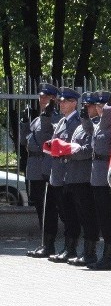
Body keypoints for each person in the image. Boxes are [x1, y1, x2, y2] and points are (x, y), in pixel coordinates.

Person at [44, 87, 84, 264]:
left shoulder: (77, 121)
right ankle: (67, 246)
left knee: (71, 213)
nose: (61, 104)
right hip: (59, 173)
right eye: (60, 101)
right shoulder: (61, 122)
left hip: (69, 172)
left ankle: (71, 247)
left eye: (65, 101)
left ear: (74, 103)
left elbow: (72, 146)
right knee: (64, 212)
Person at [23, 83, 62, 258]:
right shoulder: (36, 119)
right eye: (41, 96)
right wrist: (23, 123)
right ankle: (44, 242)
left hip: (45, 165)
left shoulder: (55, 118)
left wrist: (47, 116)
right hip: (34, 167)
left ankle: (49, 244)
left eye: (46, 97)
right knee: (40, 207)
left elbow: (52, 139)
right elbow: (25, 143)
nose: (42, 100)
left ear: (54, 99)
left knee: (48, 208)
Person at [62, 90, 100, 267]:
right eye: (85, 106)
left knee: (88, 216)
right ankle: (83, 250)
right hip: (74, 176)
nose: (87, 109)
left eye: (90, 106)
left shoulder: (97, 125)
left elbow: (90, 150)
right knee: (79, 216)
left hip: (85, 177)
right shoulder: (80, 126)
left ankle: (90, 252)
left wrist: (72, 152)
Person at [84, 91, 111, 270]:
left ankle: (109, 255)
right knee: (100, 215)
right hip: (96, 175)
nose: (99, 109)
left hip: (107, 176)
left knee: (108, 216)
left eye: (102, 106)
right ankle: (103, 254)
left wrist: (110, 107)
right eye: (97, 106)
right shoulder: (98, 124)